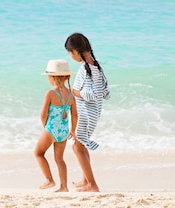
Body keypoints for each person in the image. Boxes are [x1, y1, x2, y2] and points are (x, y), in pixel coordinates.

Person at [64, 33, 110, 192]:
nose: (71, 56)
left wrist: (72, 91)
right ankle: (86, 179)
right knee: (81, 145)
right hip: (94, 111)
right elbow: (104, 92)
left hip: (86, 113)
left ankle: (92, 184)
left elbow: (86, 93)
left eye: (70, 53)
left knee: (77, 147)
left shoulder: (84, 68)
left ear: (76, 51)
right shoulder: (96, 65)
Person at [34, 59, 77, 192]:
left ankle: (49, 179)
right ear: (66, 77)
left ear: (52, 77)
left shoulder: (51, 93)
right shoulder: (71, 94)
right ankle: (64, 186)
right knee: (59, 159)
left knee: (38, 153)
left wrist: (46, 128)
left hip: (51, 128)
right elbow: (75, 115)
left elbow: (43, 115)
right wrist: (72, 130)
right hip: (64, 131)